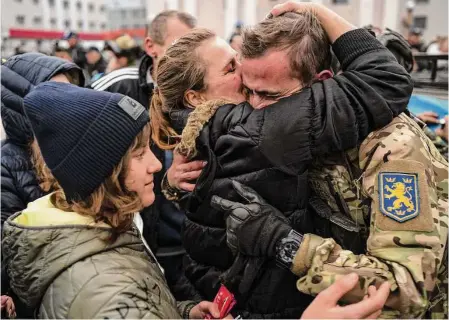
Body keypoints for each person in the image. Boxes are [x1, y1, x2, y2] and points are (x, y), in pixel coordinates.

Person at [150, 4, 413, 318]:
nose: (245, 75)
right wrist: (318, 10)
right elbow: (386, 81)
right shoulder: (257, 128)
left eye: (236, 59)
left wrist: (172, 184)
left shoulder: (200, 129)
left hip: (211, 291)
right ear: (194, 97)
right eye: (230, 69)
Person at [209, 2, 448, 319]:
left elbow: (407, 287)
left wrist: (288, 244)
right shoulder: (305, 131)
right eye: (248, 91)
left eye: (270, 96)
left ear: (321, 81)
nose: (255, 108)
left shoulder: (391, 148)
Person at [1, 82, 222, 319]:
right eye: (139, 155)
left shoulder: (102, 229)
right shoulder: (105, 288)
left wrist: (183, 313)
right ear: (103, 174)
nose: (156, 165)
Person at [89, 10, 199, 301]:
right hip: (134, 243)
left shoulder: (202, 92)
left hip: (191, 248)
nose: (186, 59)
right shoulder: (115, 88)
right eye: (178, 47)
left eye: (192, 49)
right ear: (151, 46)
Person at [1, 52, 84, 226]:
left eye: (72, 94)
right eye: (56, 96)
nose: (70, 105)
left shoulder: (80, 147)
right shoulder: (5, 170)